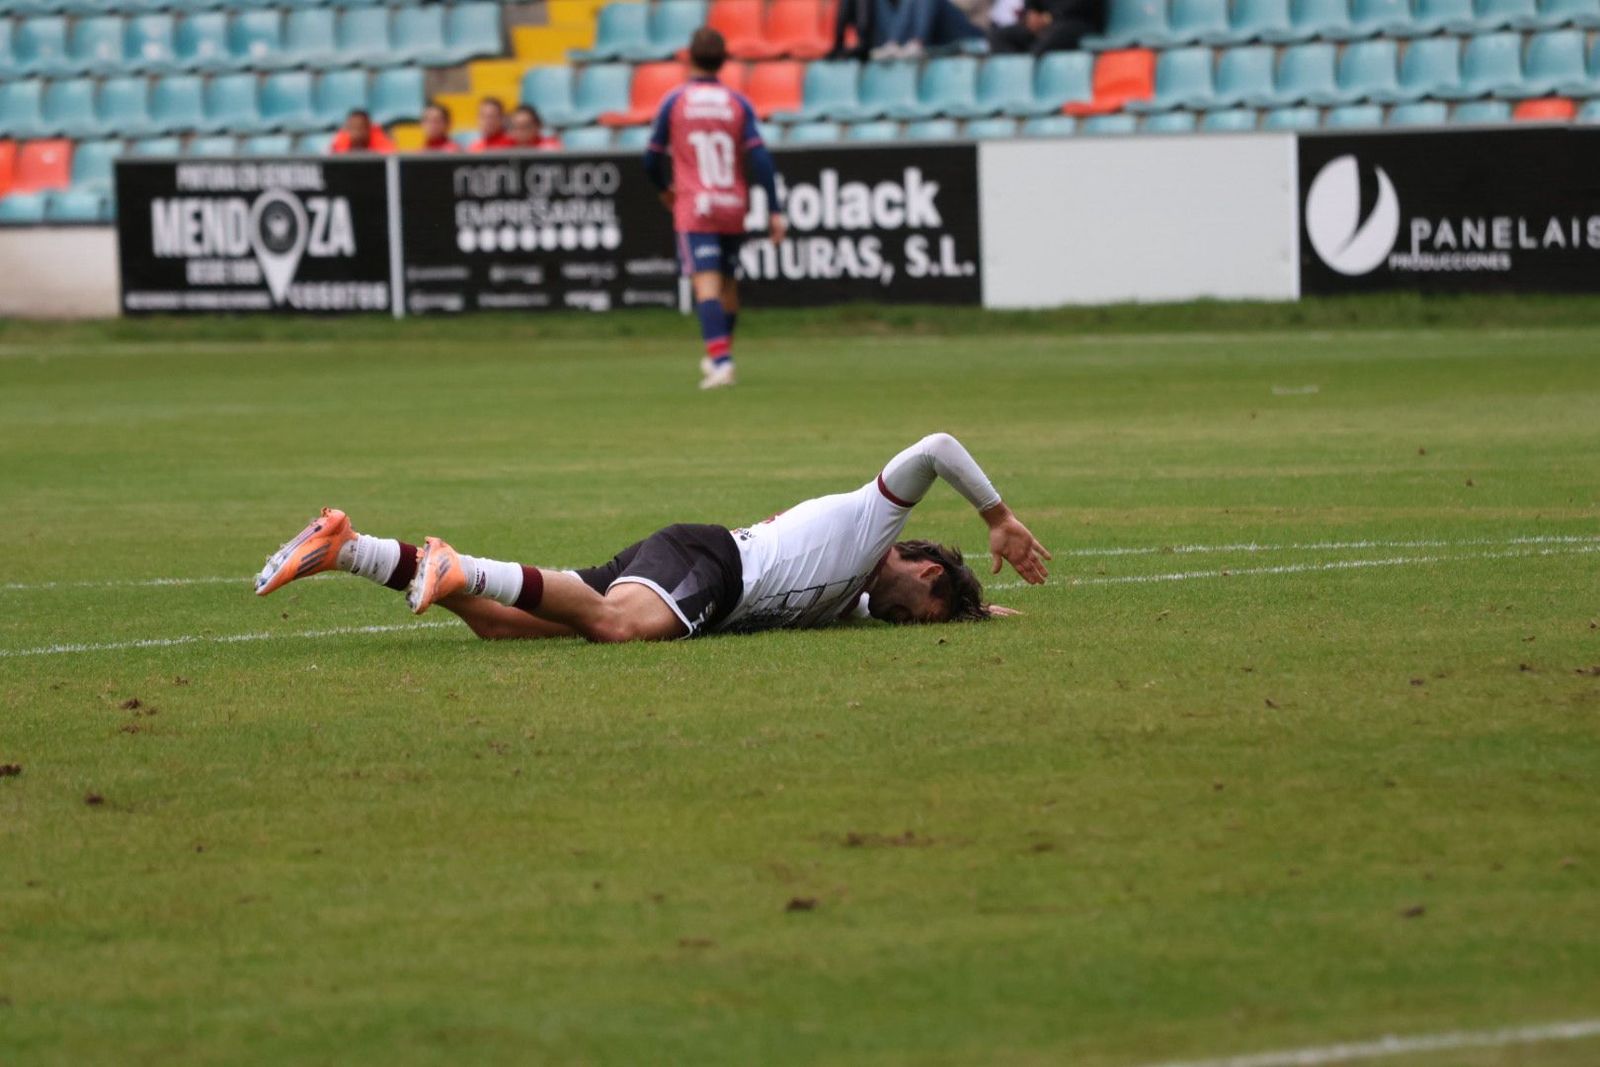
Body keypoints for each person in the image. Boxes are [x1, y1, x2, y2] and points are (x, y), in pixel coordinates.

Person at [253, 433, 1051, 643]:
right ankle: (458, 564)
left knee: (502, 624)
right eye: (913, 613)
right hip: (713, 564)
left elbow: (927, 608)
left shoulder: (854, 596)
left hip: (689, 564)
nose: (898, 622)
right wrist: (996, 517)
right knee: (619, 626)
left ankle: (349, 547)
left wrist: (983, 614)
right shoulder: (873, 523)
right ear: (923, 567)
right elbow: (936, 446)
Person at [644, 27, 787, 391]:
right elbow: (761, 159)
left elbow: (651, 157)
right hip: (732, 205)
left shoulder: (675, 101)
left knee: (706, 285)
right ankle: (721, 354)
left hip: (697, 206)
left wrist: (664, 189)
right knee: (728, 285)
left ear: (689, 57)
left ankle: (721, 363)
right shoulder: (738, 103)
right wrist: (775, 209)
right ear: (724, 61)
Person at [989, 0, 1103, 53]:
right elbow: (1031, 4)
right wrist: (1031, 14)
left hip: (1077, 22)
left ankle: (1031, 72)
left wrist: (1048, 18)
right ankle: (1015, 77)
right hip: (1043, 25)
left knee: (1051, 37)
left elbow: (1081, 5)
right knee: (999, 36)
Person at [328, 109, 394, 154]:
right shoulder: (339, 143)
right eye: (352, 127)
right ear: (347, 128)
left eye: (360, 127)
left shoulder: (381, 142)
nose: (356, 133)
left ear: (369, 128)